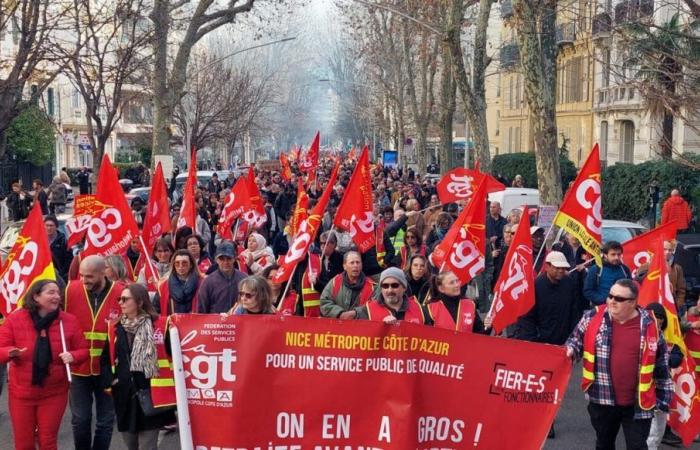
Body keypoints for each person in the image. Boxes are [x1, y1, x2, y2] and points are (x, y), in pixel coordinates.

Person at [565, 279, 674, 450]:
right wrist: (570, 350)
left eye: (618, 299)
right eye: (610, 296)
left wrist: (663, 400)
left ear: (632, 303)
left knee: (638, 446)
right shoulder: (592, 317)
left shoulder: (649, 325)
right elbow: (575, 341)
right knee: (604, 445)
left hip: (638, 405)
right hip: (602, 400)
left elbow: (661, 365)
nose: (611, 301)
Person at [0, 280, 88, 450]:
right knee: (24, 442)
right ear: (35, 296)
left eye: (57, 292)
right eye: (51, 292)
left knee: (47, 440)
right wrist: (10, 352)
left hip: (54, 393)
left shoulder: (68, 320)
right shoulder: (16, 319)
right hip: (21, 393)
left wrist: (73, 355)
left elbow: (84, 350)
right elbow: (1, 348)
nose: (57, 296)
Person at [101, 283, 175, 450]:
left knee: (147, 447)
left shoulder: (161, 325)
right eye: (120, 299)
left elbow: (175, 357)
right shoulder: (115, 327)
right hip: (125, 396)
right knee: (131, 445)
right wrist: (111, 382)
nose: (121, 302)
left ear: (140, 302)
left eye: (126, 299)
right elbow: (106, 359)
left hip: (151, 394)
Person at [66, 255, 126, 450]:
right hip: (78, 368)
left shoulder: (122, 293)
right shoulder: (69, 290)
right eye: (82, 275)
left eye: (89, 276)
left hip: (108, 369)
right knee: (80, 419)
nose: (84, 280)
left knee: (105, 420)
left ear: (104, 273)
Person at [515, 251, 578, 345]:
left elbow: (574, 312)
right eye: (557, 268)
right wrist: (534, 340)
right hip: (541, 343)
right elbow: (526, 318)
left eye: (563, 268)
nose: (561, 271)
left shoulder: (569, 283)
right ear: (547, 267)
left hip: (564, 342)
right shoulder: (535, 286)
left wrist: (573, 338)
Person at [644, 303, 683, 449]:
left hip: (661, 390)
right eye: (653, 315)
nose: (656, 319)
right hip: (642, 391)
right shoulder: (639, 333)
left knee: (657, 431)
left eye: (660, 316)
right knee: (641, 430)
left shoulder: (670, 337)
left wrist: (663, 360)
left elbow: (677, 357)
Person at [357, 267, 431, 324]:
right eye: (385, 286)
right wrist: (380, 327)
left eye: (394, 285)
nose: (390, 290)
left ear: (404, 287)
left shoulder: (421, 311)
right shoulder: (367, 311)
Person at [320, 251, 376, 319]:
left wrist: (356, 313)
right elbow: (324, 302)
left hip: (362, 327)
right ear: (344, 266)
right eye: (352, 263)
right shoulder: (335, 282)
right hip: (338, 327)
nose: (355, 265)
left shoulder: (372, 287)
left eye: (358, 262)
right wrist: (339, 313)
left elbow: (375, 307)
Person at [197, 241, 247, 313]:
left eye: (229, 258)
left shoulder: (244, 279)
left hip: (239, 322)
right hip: (215, 323)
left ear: (234, 258)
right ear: (216, 260)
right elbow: (202, 310)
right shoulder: (208, 282)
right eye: (222, 259)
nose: (225, 262)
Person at [154, 250, 202, 314]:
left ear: (191, 265)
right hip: (172, 323)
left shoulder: (203, 284)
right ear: (174, 265)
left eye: (184, 263)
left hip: (196, 322)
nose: (180, 266)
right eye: (177, 263)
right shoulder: (163, 286)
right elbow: (155, 309)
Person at [583, 241, 631, 306]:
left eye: (619, 254)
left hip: (622, 309)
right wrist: (605, 300)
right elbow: (588, 291)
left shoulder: (625, 269)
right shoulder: (596, 269)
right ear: (605, 255)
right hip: (601, 308)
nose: (616, 257)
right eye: (613, 254)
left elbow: (630, 288)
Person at [45, 215, 73, 282]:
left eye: (51, 225)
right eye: (47, 225)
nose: (49, 228)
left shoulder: (63, 241)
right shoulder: (39, 241)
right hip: (45, 276)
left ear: (56, 227)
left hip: (60, 276)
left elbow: (69, 260)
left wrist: (62, 274)